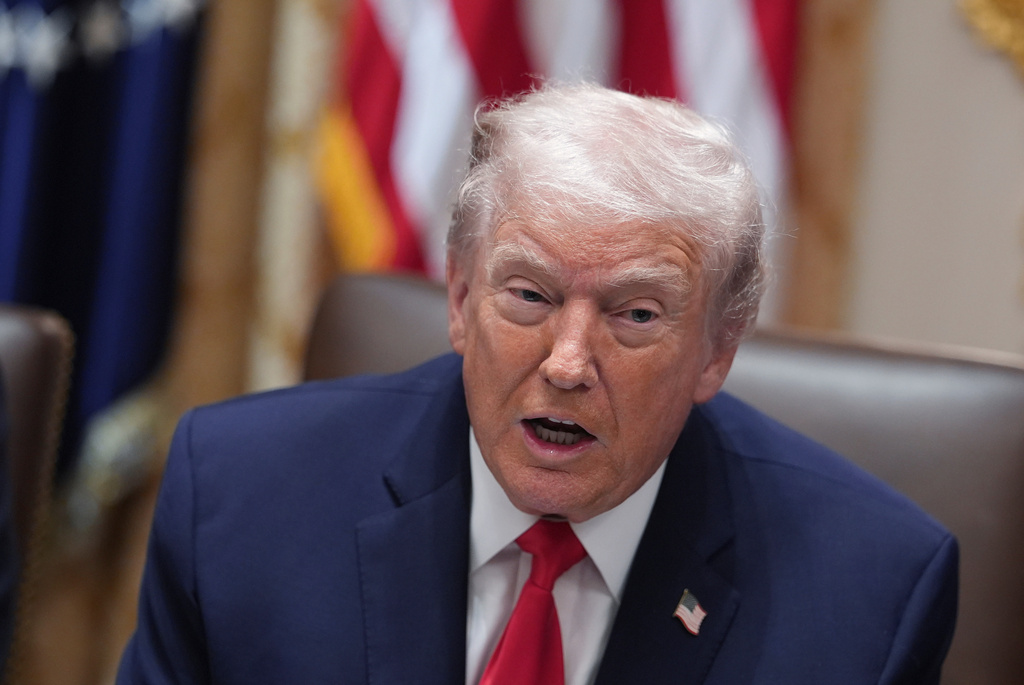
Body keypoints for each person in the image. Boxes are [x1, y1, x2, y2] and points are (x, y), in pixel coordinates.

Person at [117, 83, 957, 684]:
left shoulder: (871, 595)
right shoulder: (238, 496)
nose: (567, 362)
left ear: (717, 349)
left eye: (635, 313)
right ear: (459, 297)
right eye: (530, 295)